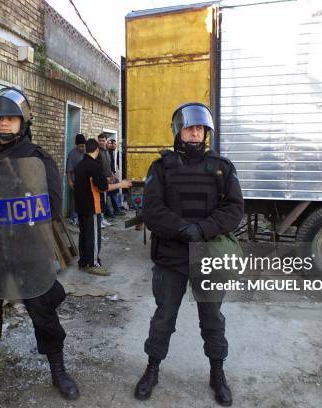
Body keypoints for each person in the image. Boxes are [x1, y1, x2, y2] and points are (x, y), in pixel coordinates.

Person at [0, 87, 79, 404]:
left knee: (43, 312)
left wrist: (9, 203)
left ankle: (58, 371)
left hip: (28, 251)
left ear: (23, 121)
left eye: (10, 118)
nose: (4, 124)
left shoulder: (38, 159)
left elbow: (50, 204)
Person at [133, 103, 244, 406]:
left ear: (206, 132)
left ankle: (217, 374)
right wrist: (184, 229)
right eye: (189, 128)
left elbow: (234, 210)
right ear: (178, 132)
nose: (195, 133)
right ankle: (152, 368)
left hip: (208, 255)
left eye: (200, 128)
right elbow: (152, 211)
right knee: (164, 317)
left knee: (212, 319)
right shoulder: (161, 167)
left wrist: (203, 229)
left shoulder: (222, 167)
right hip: (171, 258)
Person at [74, 138, 131, 276]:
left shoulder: (80, 164)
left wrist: (105, 179)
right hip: (92, 206)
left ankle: (83, 262)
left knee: (84, 235)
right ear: (97, 150)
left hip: (80, 206)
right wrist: (121, 184)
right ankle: (93, 264)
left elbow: (91, 182)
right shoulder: (94, 165)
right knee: (93, 236)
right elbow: (102, 188)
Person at [66, 133, 86, 225]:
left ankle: (82, 217)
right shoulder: (72, 154)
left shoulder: (87, 153)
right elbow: (69, 169)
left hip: (86, 181)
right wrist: (70, 181)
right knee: (74, 200)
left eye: (83, 146)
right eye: (80, 146)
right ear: (76, 145)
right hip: (75, 181)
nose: (81, 148)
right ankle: (73, 217)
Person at [96, 133, 114, 226]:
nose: (101, 142)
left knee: (104, 200)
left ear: (106, 141)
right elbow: (97, 168)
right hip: (100, 180)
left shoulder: (107, 151)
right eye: (100, 140)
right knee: (100, 200)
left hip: (107, 180)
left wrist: (111, 175)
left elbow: (108, 165)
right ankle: (99, 220)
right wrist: (104, 178)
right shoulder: (97, 152)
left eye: (103, 140)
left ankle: (102, 218)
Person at [107, 138, 125, 216]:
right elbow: (109, 165)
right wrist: (112, 174)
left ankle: (115, 209)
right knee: (109, 193)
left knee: (113, 193)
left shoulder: (113, 153)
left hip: (112, 175)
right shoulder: (108, 153)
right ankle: (112, 210)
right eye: (111, 144)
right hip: (109, 176)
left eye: (114, 144)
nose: (113, 145)